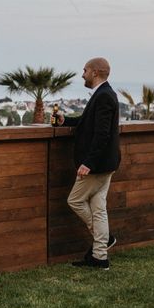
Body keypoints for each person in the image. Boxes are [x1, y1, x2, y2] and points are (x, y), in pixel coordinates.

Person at [58, 57, 121, 270]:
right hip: (106, 164)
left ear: (95, 72)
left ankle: (105, 239)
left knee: (74, 200)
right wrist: (65, 120)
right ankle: (100, 257)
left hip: (97, 165)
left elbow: (102, 134)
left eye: (85, 70)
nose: (82, 74)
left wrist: (88, 163)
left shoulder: (104, 96)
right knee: (98, 209)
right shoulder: (104, 94)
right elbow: (87, 124)